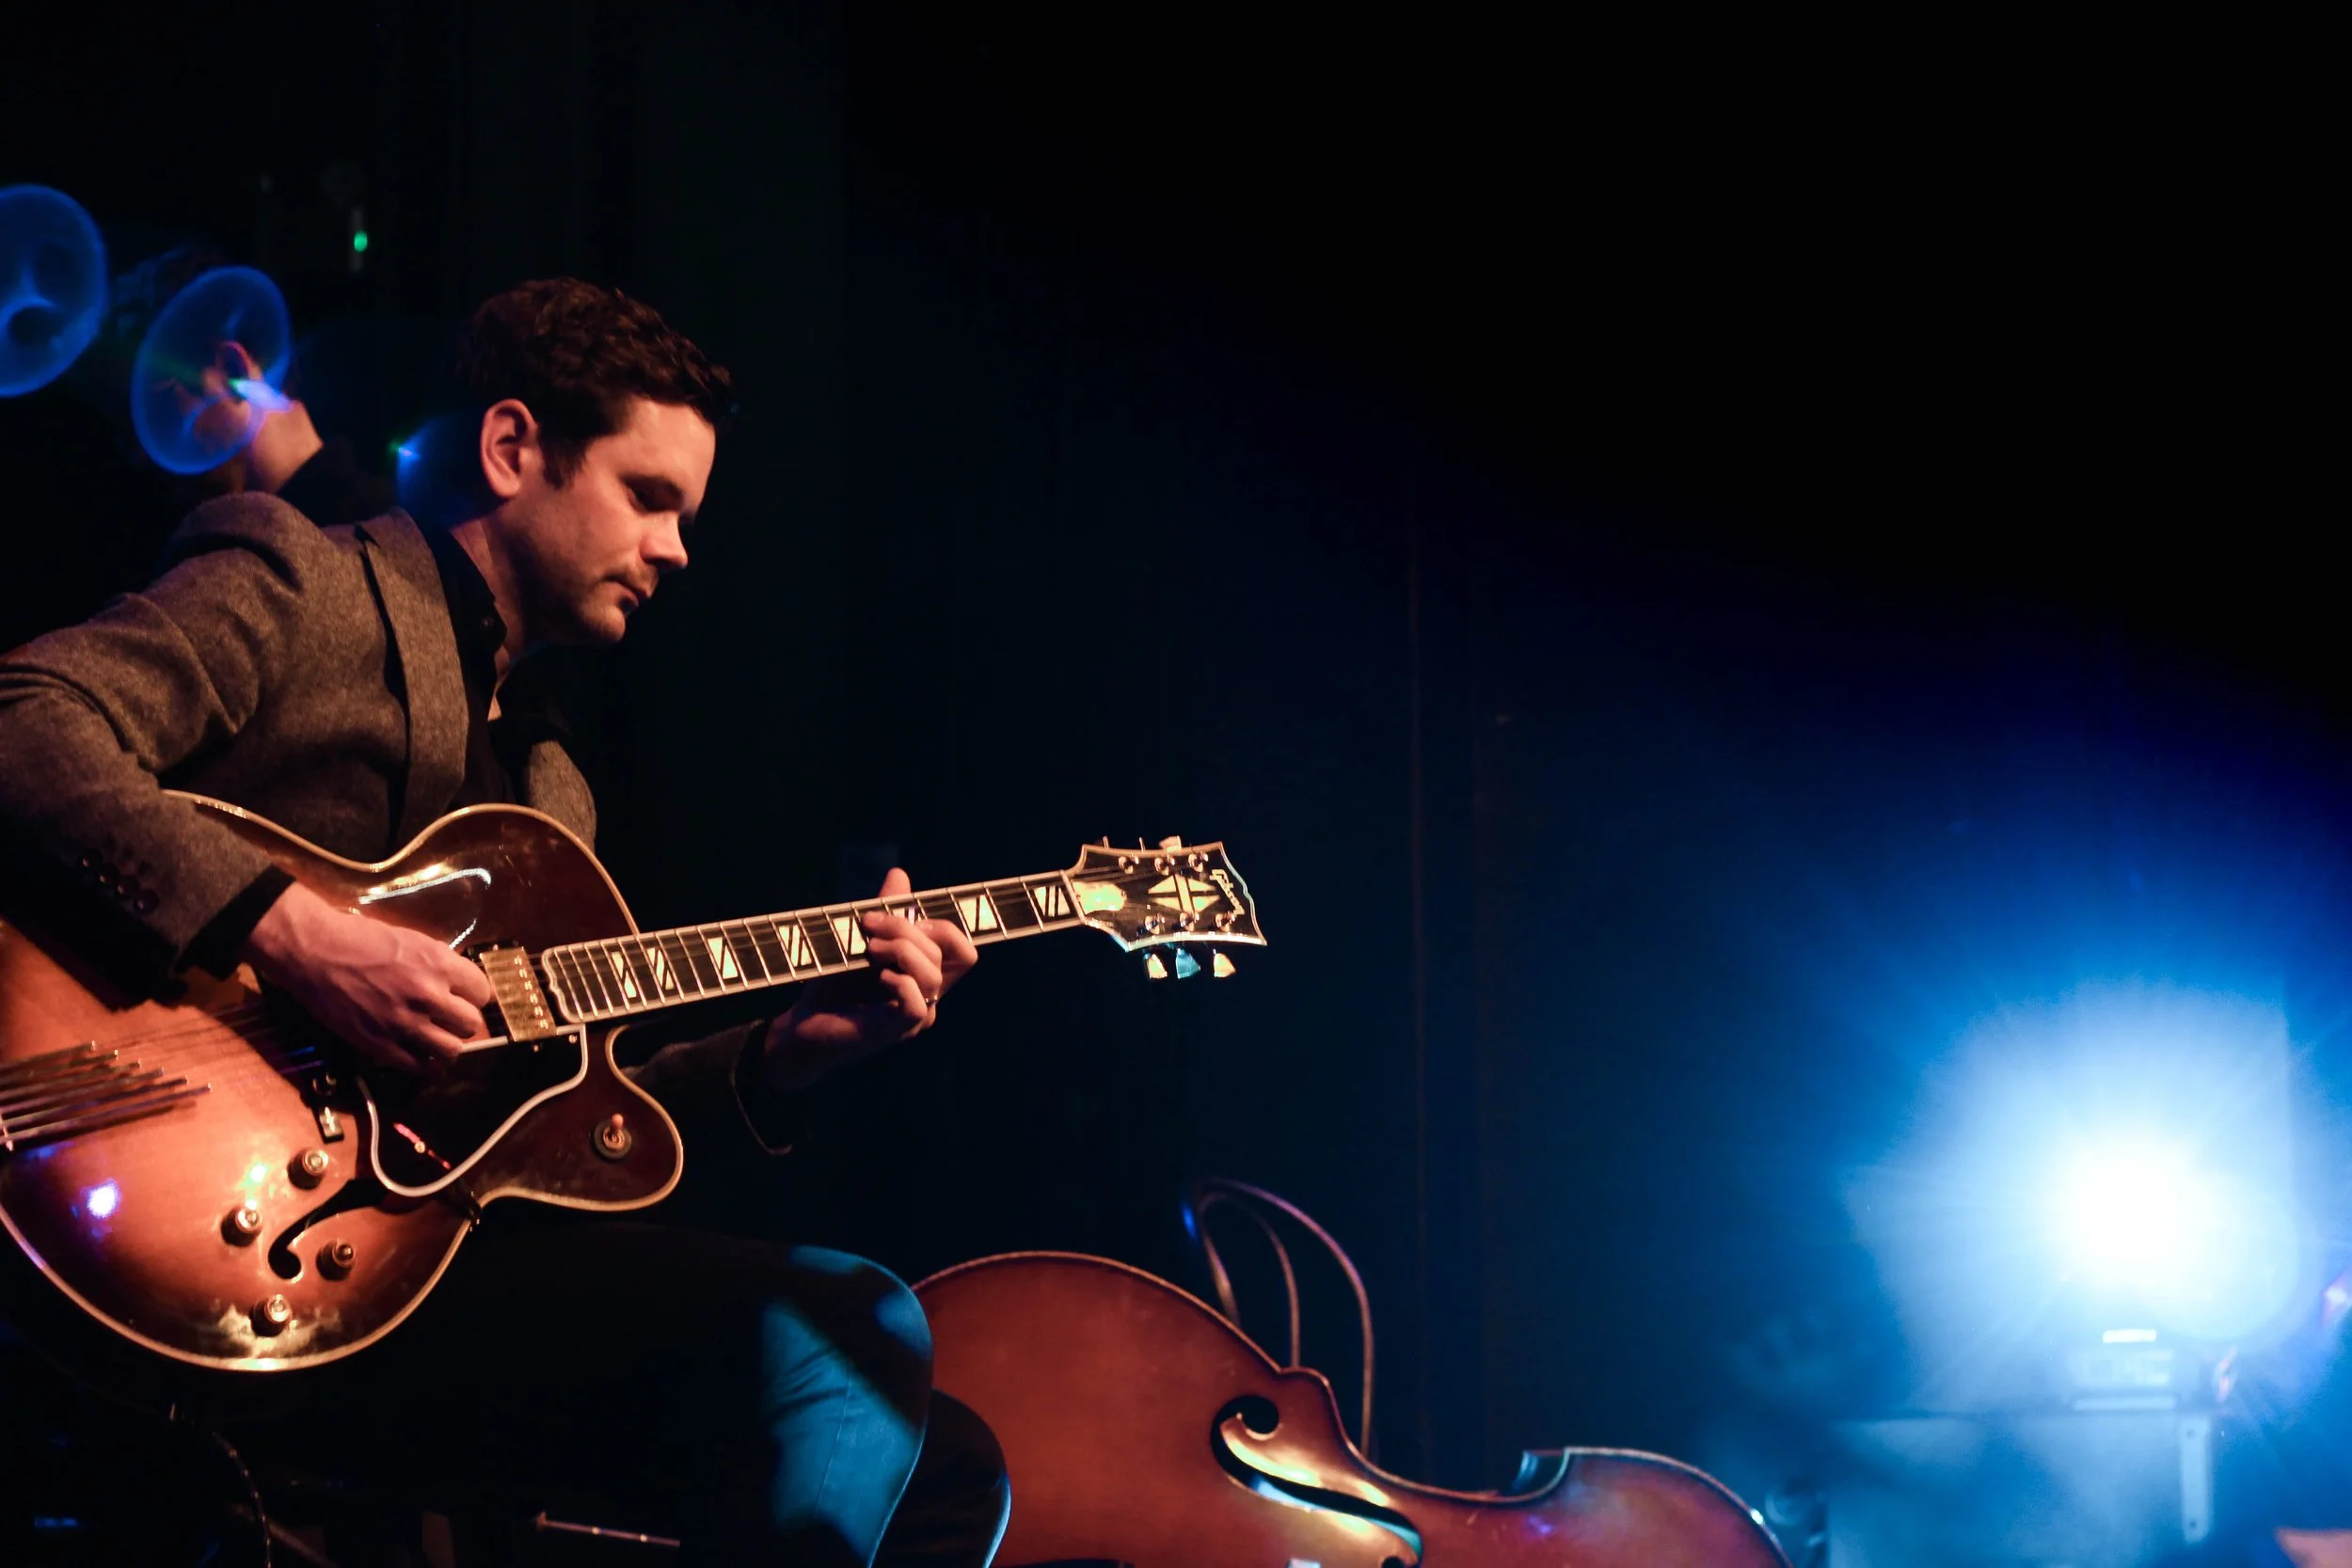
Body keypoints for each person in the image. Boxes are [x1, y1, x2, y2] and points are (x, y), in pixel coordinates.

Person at [0, 278, 1009, 1565]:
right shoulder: (300, 581)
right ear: (512, 449)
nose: (680, 551)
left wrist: (793, 1046)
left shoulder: (551, 788)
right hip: (197, 1226)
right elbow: (26, 717)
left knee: (949, 1460)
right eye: (651, 499)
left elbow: (569, 1124)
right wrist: (294, 932)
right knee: (850, 1328)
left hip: (407, 1268)